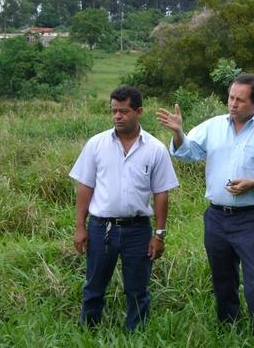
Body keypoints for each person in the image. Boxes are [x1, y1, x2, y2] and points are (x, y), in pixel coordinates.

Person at [156, 73, 254, 344]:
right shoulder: (213, 126)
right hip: (217, 217)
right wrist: (178, 133)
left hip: (250, 219)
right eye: (231, 97)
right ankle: (228, 326)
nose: (233, 104)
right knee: (222, 276)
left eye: (240, 100)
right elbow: (189, 152)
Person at [70, 86, 179, 330]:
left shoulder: (155, 149)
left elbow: (161, 193)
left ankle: (136, 335)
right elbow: (85, 187)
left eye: (124, 111)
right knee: (94, 287)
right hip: (101, 228)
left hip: (138, 230)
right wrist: (80, 227)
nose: (117, 116)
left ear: (139, 111)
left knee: (137, 290)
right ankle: (88, 332)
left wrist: (159, 234)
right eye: (114, 111)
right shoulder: (96, 144)